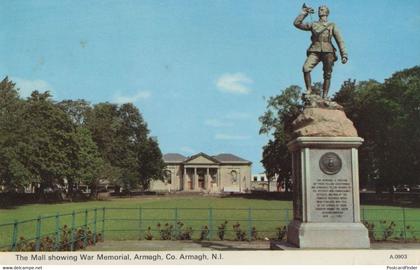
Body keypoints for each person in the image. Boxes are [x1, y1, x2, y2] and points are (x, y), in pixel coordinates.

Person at [294, 5, 348, 98]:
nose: (319, 11)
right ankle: (309, 90)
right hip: (315, 50)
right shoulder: (313, 24)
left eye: (322, 10)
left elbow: (340, 40)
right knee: (306, 68)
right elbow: (297, 24)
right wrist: (304, 13)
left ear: (327, 12)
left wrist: (344, 54)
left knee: (327, 74)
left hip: (328, 51)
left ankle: (325, 95)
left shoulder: (332, 25)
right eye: (319, 10)